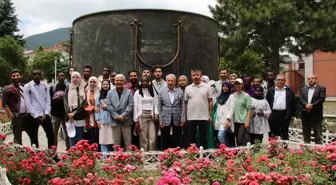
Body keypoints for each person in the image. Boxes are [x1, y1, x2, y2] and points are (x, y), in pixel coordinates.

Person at [23, 69, 55, 148]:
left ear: (41, 75)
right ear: (32, 75)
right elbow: (28, 103)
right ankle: (36, 157)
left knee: (51, 136)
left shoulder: (45, 85)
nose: (36, 75)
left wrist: (47, 113)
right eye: (34, 74)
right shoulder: (27, 86)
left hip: (45, 115)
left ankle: (53, 154)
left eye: (38, 74)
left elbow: (48, 100)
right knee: (34, 138)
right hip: (33, 116)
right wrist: (36, 116)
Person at [2, 69, 33, 145]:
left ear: (21, 76)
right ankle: (19, 155)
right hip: (17, 116)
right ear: (11, 77)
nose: (16, 77)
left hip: (28, 116)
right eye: (14, 76)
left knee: (33, 136)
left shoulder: (25, 87)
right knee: (17, 139)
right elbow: (4, 103)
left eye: (17, 75)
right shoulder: (7, 89)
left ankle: (36, 154)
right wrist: (11, 114)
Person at [184, 69, 213, 149]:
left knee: (203, 138)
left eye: (197, 75)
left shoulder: (207, 87)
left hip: (204, 116)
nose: (195, 77)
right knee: (191, 138)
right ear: (191, 76)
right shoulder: (188, 88)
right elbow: (186, 103)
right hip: (191, 117)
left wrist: (210, 115)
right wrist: (186, 116)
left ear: (200, 76)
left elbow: (210, 101)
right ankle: (193, 155)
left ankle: (205, 156)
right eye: (193, 75)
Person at [105, 74, 134, 150]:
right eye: (117, 80)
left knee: (128, 142)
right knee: (116, 142)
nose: (119, 82)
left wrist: (123, 116)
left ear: (124, 81)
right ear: (114, 81)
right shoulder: (110, 92)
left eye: (121, 80)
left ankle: (129, 159)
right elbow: (108, 105)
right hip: (115, 120)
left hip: (126, 120)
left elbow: (130, 105)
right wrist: (117, 116)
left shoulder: (129, 92)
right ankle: (117, 159)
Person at [158, 74, 185, 150]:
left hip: (177, 117)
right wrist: (160, 120)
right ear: (166, 82)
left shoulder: (180, 91)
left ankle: (178, 153)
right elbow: (159, 106)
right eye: (168, 81)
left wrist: (183, 119)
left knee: (178, 137)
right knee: (164, 138)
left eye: (172, 81)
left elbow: (182, 105)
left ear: (175, 82)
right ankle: (165, 154)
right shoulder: (162, 91)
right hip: (165, 117)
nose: (170, 82)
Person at [266, 74, 296, 141]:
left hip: (285, 114)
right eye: (278, 80)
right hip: (273, 114)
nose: (280, 81)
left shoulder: (289, 91)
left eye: (282, 80)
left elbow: (293, 104)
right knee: (273, 132)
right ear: (276, 81)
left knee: (284, 132)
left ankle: (285, 148)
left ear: (285, 81)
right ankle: (273, 148)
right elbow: (267, 103)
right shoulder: (270, 90)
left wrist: (292, 115)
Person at [133, 76, 158, 151]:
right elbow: (135, 106)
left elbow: (156, 104)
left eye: (146, 81)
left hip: (151, 116)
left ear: (149, 82)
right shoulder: (137, 92)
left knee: (152, 136)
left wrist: (156, 113)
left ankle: (152, 154)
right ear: (140, 83)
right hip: (142, 115)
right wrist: (136, 120)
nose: (145, 82)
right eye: (143, 81)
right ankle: (144, 155)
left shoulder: (152, 91)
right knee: (143, 137)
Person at [300, 74, 326, 144]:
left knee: (318, 136)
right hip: (305, 115)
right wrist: (306, 105)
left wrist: (311, 106)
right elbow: (301, 99)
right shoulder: (303, 89)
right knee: (306, 136)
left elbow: (321, 99)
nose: (310, 80)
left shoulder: (321, 88)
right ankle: (306, 151)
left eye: (312, 78)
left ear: (316, 79)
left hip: (316, 116)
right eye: (308, 79)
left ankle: (318, 151)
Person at [63, 72, 86, 147]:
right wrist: (69, 113)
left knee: (80, 137)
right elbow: (65, 100)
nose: (75, 79)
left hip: (79, 116)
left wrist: (75, 112)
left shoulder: (83, 88)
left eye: (77, 77)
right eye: (73, 77)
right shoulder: (68, 87)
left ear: (80, 78)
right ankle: (72, 154)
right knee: (71, 136)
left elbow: (83, 103)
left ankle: (80, 155)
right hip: (69, 116)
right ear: (71, 78)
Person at [50, 71, 70, 150]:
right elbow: (49, 99)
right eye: (60, 76)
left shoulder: (67, 87)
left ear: (65, 77)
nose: (61, 77)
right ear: (58, 77)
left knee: (67, 133)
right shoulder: (53, 87)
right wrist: (54, 99)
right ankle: (54, 150)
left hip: (65, 113)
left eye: (63, 76)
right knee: (54, 133)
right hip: (55, 114)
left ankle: (68, 150)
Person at [213, 82, 235, 147]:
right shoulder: (219, 96)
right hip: (219, 120)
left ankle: (225, 150)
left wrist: (228, 119)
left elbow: (232, 109)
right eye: (223, 86)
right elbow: (217, 109)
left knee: (220, 136)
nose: (224, 88)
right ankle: (226, 151)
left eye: (226, 87)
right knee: (223, 137)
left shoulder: (231, 96)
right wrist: (215, 120)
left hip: (226, 120)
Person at [233, 78, 252, 146]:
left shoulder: (246, 96)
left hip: (243, 121)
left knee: (243, 140)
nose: (237, 85)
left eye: (239, 84)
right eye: (236, 84)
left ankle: (245, 155)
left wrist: (247, 120)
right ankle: (239, 155)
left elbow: (250, 109)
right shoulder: (233, 95)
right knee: (237, 139)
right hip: (235, 121)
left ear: (242, 85)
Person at [95, 80, 113, 152]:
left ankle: (111, 156)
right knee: (103, 139)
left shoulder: (112, 94)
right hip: (102, 120)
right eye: (104, 84)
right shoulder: (99, 95)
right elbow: (97, 108)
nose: (105, 85)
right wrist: (97, 120)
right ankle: (104, 156)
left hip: (111, 119)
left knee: (111, 139)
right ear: (102, 85)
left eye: (107, 84)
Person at [125, 70, 140, 148]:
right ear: (129, 77)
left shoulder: (141, 86)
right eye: (131, 76)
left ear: (137, 76)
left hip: (139, 113)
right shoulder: (126, 87)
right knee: (129, 133)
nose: (133, 77)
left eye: (135, 76)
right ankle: (131, 149)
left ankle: (140, 149)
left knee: (140, 132)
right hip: (129, 114)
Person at [84, 76, 100, 145]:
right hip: (89, 116)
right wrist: (93, 108)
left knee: (98, 137)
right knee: (91, 136)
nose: (92, 83)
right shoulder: (86, 92)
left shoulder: (99, 92)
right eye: (91, 82)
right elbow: (84, 105)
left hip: (99, 116)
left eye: (94, 82)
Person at [178, 75, 189, 149]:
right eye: (180, 81)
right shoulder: (176, 90)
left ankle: (187, 148)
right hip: (178, 114)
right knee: (178, 132)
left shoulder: (189, 89)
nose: (182, 82)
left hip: (188, 113)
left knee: (187, 132)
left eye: (183, 80)